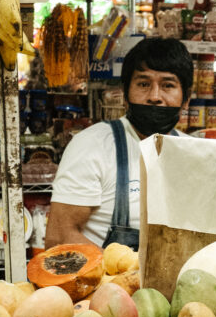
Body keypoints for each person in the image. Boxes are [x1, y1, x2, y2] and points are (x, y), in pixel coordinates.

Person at [44, 36, 192, 251]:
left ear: (186, 99)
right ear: (124, 95)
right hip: (105, 281)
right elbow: (59, 237)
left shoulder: (194, 154)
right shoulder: (92, 146)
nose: (154, 96)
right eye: (143, 84)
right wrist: (125, 274)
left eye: (168, 85)